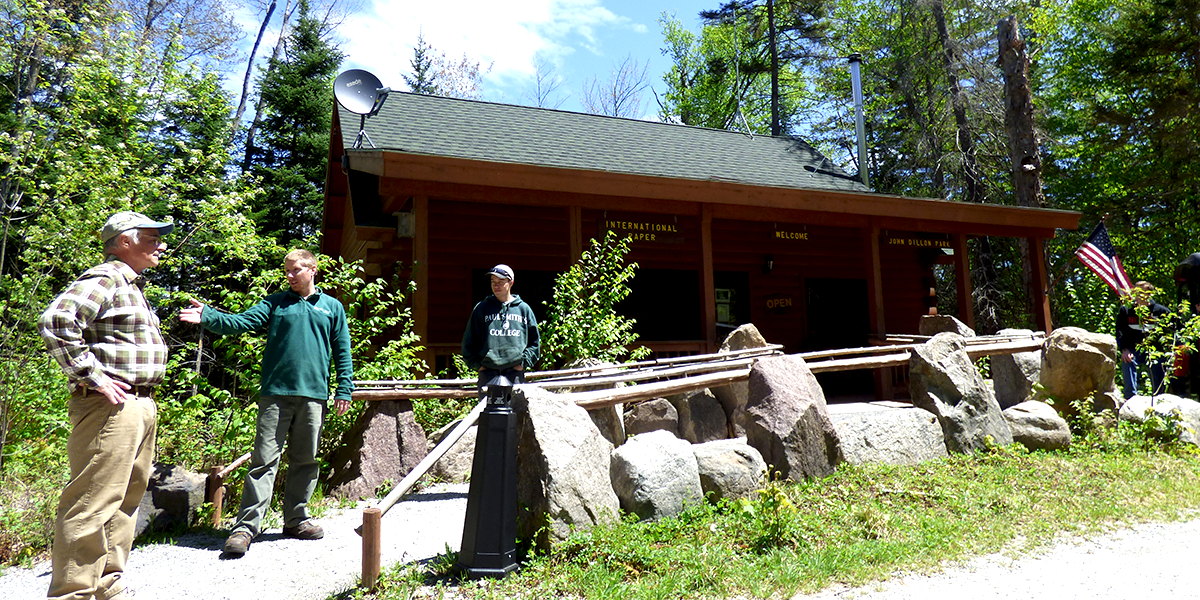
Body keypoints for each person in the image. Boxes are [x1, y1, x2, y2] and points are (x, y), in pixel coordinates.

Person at [179, 249, 353, 557]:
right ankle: (245, 528)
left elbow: (342, 351)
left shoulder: (331, 308)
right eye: (286, 271)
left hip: (314, 395)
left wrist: (344, 389)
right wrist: (209, 316)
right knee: (264, 460)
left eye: (295, 270)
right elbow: (241, 322)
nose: (289, 275)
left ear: (312, 270)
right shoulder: (275, 304)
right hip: (276, 394)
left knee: (306, 459)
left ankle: (296, 520)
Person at [38, 211, 174, 600]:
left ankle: (107, 585)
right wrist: (92, 376)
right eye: (151, 238)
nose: (160, 245)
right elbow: (57, 319)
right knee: (92, 501)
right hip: (110, 406)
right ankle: (72, 593)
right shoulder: (106, 277)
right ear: (124, 241)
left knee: (125, 502)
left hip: (138, 405)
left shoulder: (131, 285)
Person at [461, 264, 540, 389]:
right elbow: (468, 342)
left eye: (500, 281)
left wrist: (523, 364)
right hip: (488, 373)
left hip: (515, 374)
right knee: (487, 408)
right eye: (493, 281)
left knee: (516, 408)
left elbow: (534, 343)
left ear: (511, 283)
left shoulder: (523, 309)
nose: (496, 285)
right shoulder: (482, 308)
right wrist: (478, 366)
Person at [1116, 280, 1170, 399]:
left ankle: (1159, 398)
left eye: (1142, 292)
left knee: (1159, 363)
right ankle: (1130, 398)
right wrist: (1124, 349)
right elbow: (1120, 332)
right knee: (1127, 360)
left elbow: (1175, 328)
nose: (1139, 296)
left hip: (1155, 350)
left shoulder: (1160, 311)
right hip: (1133, 349)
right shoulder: (1126, 310)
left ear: (1149, 294)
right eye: (1137, 292)